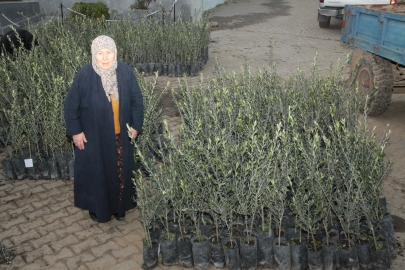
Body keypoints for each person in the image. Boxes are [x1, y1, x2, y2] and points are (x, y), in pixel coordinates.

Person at [65, 35, 143, 223]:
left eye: (108, 52)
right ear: (94, 55)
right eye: (100, 53)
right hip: (94, 138)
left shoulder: (125, 72)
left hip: (120, 137)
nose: (105, 57)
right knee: (98, 175)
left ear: (114, 53)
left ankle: (119, 208)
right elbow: (70, 105)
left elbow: (136, 101)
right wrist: (75, 132)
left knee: (120, 174)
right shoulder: (85, 75)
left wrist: (135, 126)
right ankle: (98, 208)